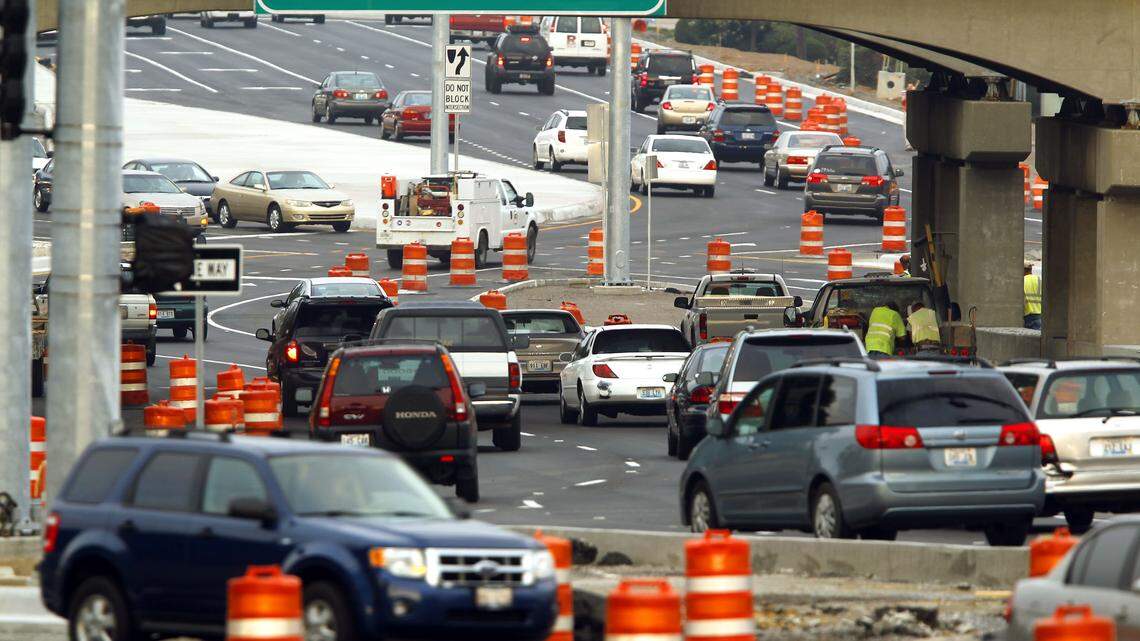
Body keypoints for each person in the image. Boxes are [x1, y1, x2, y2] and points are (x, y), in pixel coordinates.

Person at [1024, 263, 1042, 330]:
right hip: (1040, 315)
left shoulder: (1022, 280)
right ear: (1031, 270)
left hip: (1028, 316)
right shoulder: (1039, 279)